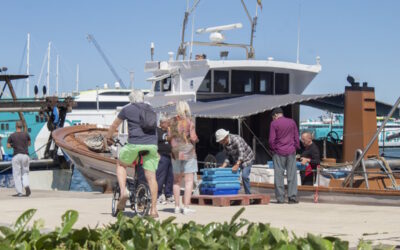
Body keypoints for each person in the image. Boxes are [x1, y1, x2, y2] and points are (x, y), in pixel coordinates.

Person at [106, 90, 160, 218]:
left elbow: (114, 125)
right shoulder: (151, 109)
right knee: (151, 177)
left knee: (121, 164)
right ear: (142, 98)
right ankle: (153, 210)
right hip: (152, 146)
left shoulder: (127, 109)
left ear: (131, 99)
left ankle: (124, 191)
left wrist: (108, 137)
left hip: (135, 144)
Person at [169, 101, 198, 215]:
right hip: (188, 152)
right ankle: (186, 207)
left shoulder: (171, 122)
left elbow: (169, 137)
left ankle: (176, 207)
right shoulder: (189, 122)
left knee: (176, 180)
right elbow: (193, 137)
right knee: (189, 180)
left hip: (175, 152)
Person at [268, 107, 300, 204]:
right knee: (292, 176)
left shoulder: (274, 123)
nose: (273, 119)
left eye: (273, 117)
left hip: (278, 152)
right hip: (291, 151)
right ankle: (292, 198)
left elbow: (271, 140)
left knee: (279, 176)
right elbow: (296, 137)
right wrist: (296, 147)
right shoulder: (292, 122)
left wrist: (273, 149)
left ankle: (280, 198)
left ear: (276, 115)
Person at [216, 129, 254, 194]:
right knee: (232, 175)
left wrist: (237, 165)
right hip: (236, 159)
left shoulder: (236, 139)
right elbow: (228, 156)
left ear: (225, 138)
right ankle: (233, 193)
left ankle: (248, 195)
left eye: (220, 141)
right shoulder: (224, 144)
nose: (220, 142)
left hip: (247, 158)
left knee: (244, 176)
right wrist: (223, 166)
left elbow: (241, 153)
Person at [7, 121, 31, 197]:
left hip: (16, 155)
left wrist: (13, 145)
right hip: (25, 155)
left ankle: (19, 192)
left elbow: (8, 146)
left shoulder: (12, 135)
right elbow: (29, 144)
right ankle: (26, 185)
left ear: (16, 126)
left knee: (17, 174)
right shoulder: (26, 134)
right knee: (25, 173)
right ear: (21, 127)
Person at [156, 113, 174, 204]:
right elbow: (155, 143)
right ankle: (157, 195)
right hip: (161, 155)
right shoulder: (157, 131)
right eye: (168, 123)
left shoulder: (168, 130)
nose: (169, 124)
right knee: (160, 176)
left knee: (170, 176)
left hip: (169, 155)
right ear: (162, 123)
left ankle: (169, 194)